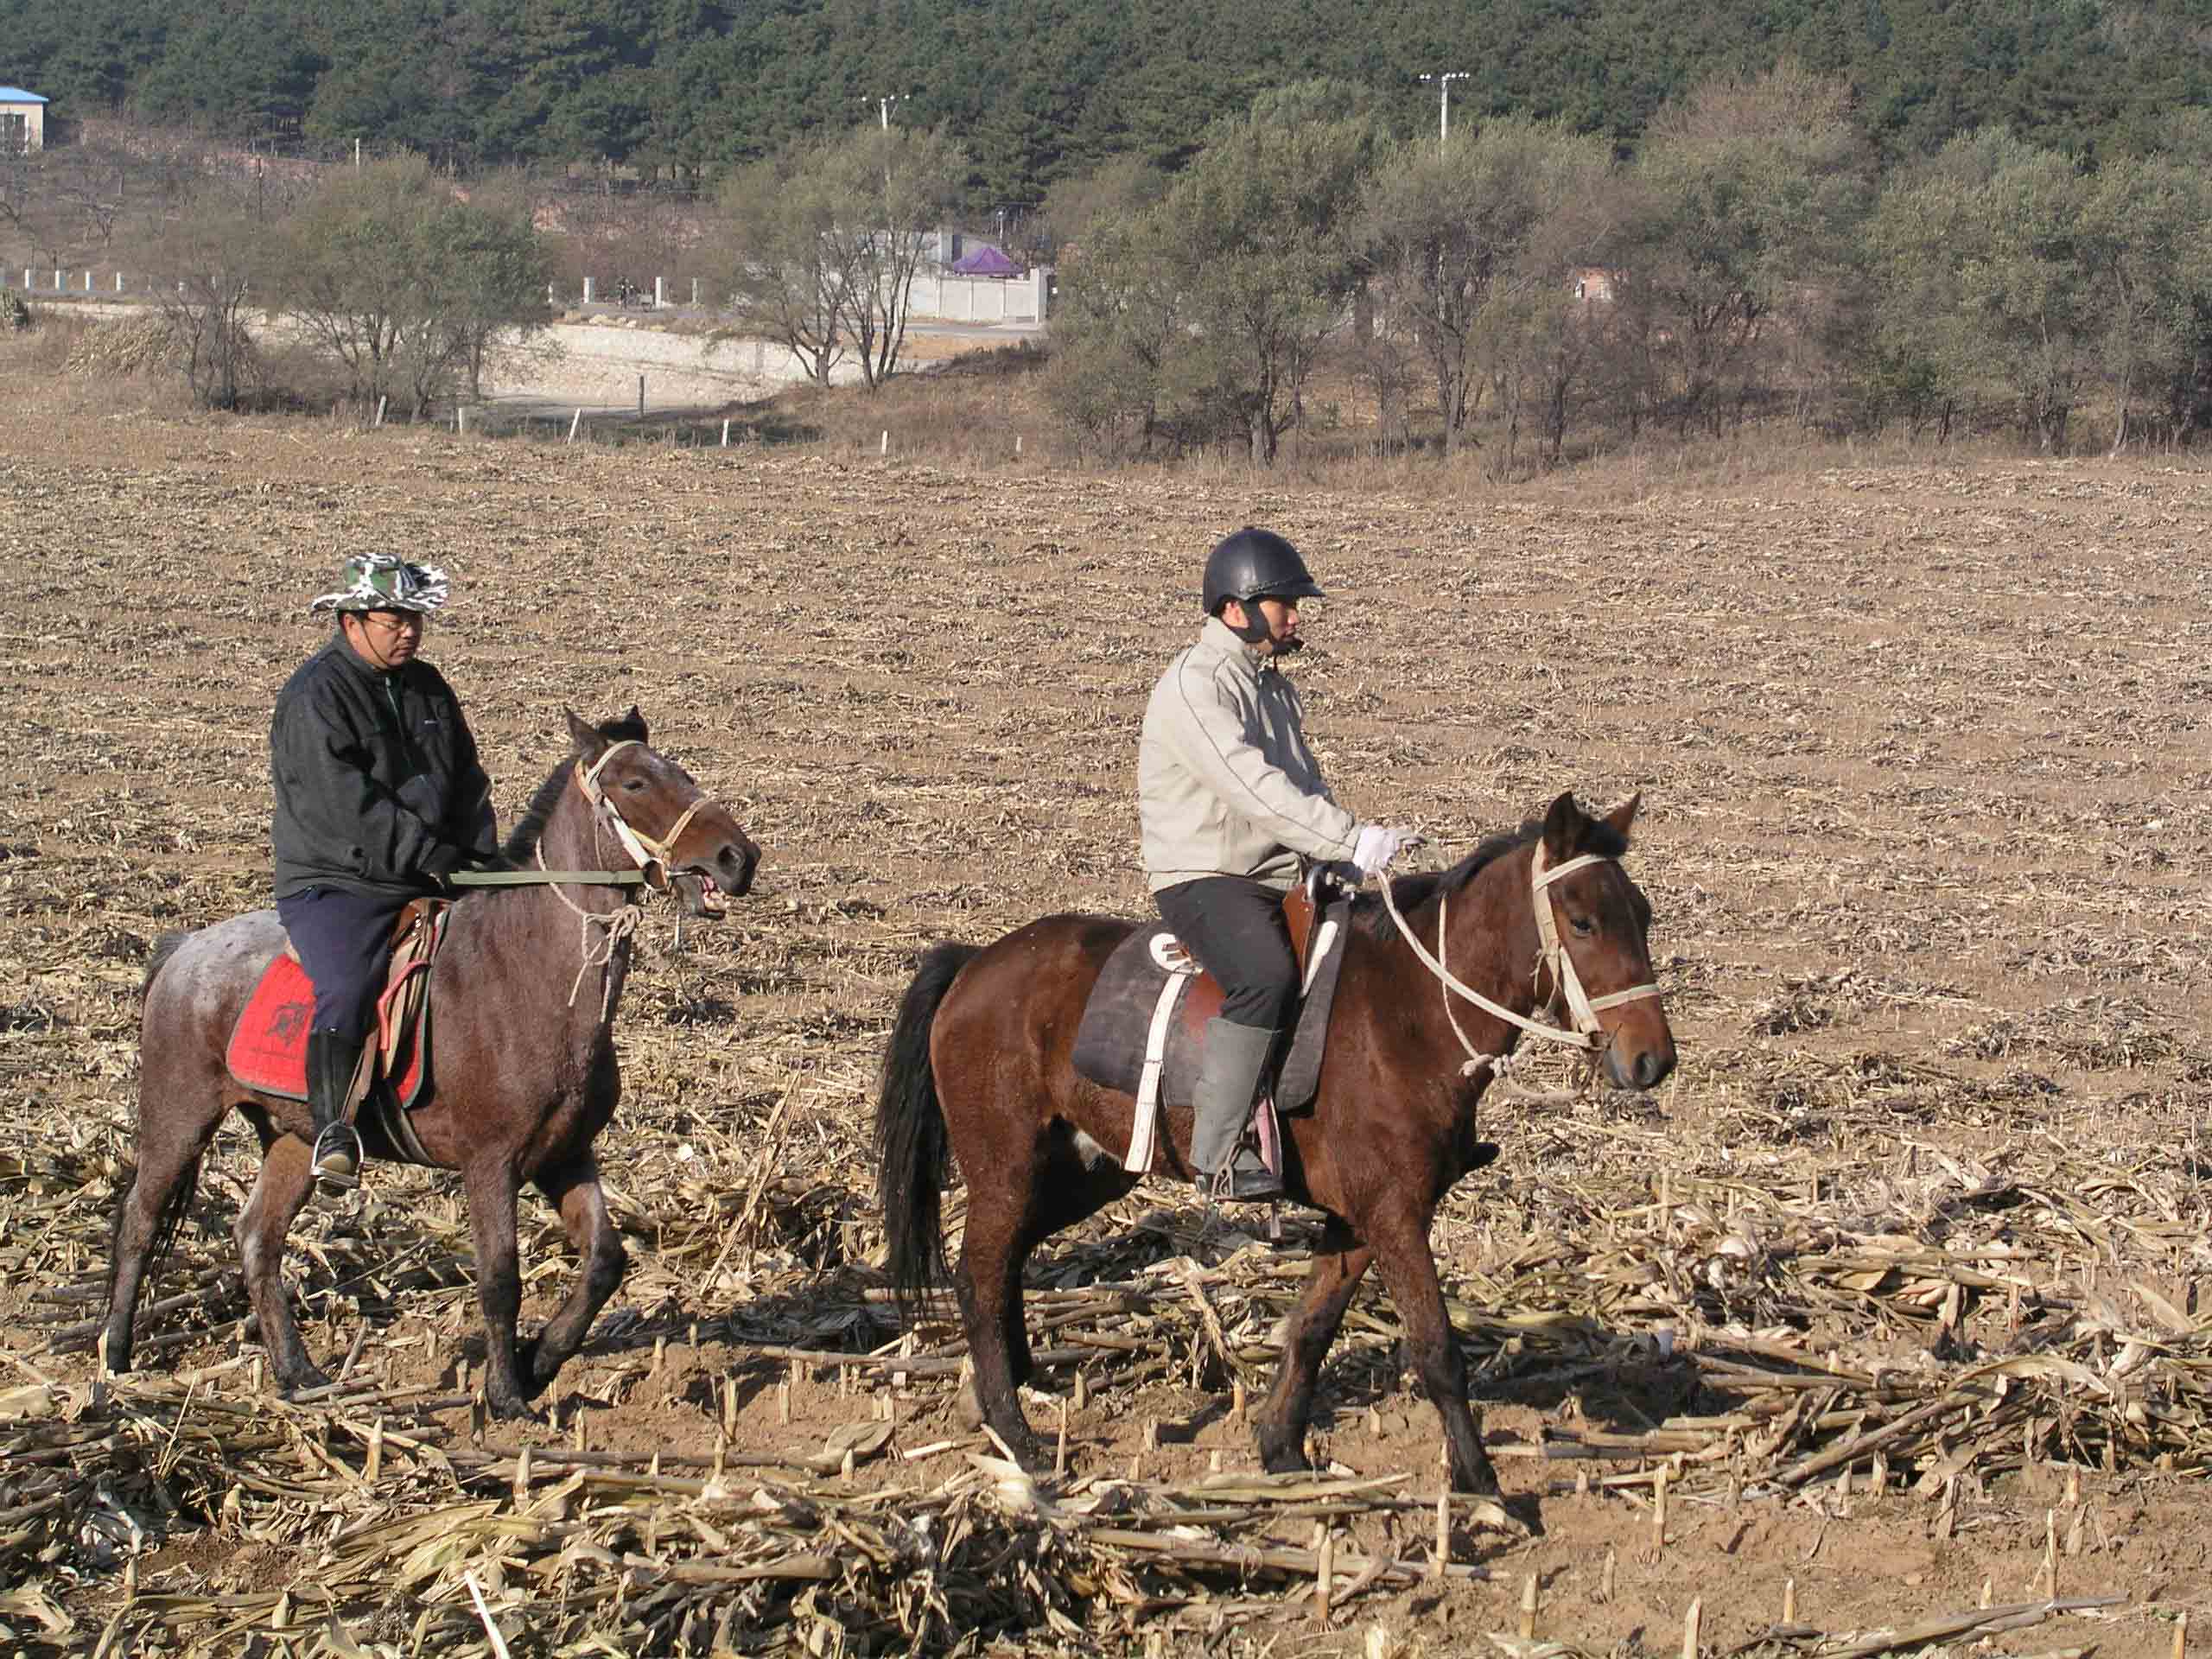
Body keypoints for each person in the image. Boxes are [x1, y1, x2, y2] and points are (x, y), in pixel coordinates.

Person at [1138, 527, 1410, 1201]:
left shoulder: (1274, 690)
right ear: (1237, 609)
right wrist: (1348, 840)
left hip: (1278, 874)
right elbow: (1255, 789)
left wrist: (1351, 861)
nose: (1296, 616)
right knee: (1265, 976)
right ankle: (1219, 1154)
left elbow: (1304, 790)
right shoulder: (1195, 687)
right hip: (1207, 875)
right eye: (1284, 602)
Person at [270, 555, 499, 1187]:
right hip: (337, 878)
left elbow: (468, 781)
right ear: (351, 621)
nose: (409, 631)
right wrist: (426, 853)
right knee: (347, 981)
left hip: (425, 869)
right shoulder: (314, 696)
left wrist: (479, 856)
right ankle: (334, 1127)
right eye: (394, 618)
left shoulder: (428, 687)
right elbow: (343, 803)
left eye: (416, 619)